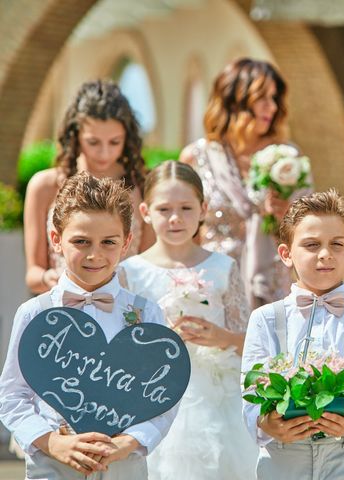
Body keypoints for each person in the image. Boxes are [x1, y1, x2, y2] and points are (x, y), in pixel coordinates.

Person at [0, 172, 175, 479]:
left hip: (124, 464)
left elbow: (162, 395)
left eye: (109, 242)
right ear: (56, 240)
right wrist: (52, 442)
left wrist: (129, 442)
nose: (95, 254)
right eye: (81, 241)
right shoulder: (35, 312)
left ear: (126, 243)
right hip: (52, 463)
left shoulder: (146, 313)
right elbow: (12, 395)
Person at [242, 190, 344, 480]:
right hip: (284, 458)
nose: (325, 254)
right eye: (312, 244)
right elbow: (249, 395)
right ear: (286, 254)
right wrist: (267, 423)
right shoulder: (264, 318)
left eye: (336, 244)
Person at [119, 161, 258, 479]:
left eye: (185, 207)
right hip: (154, 395)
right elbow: (122, 346)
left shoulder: (222, 268)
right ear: (145, 211)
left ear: (203, 208)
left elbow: (249, 342)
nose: (175, 218)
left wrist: (222, 338)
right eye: (164, 209)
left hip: (217, 399)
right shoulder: (131, 272)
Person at [181, 58, 311, 308]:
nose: (271, 107)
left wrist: (286, 217)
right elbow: (186, 234)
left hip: (272, 291)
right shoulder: (196, 158)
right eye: (262, 98)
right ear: (235, 100)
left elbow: (310, 232)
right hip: (213, 287)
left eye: (275, 98)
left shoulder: (288, 158)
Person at [23, 79, 154, 294]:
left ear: (128, 139)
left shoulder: (144, 187)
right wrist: (51, 278)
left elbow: (151, 271)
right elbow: (33, 274)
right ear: (75, 136)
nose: (104, 153)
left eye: (114, 142)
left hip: (126, 311)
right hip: (63, 307)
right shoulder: (44, 186)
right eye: (93, 142)